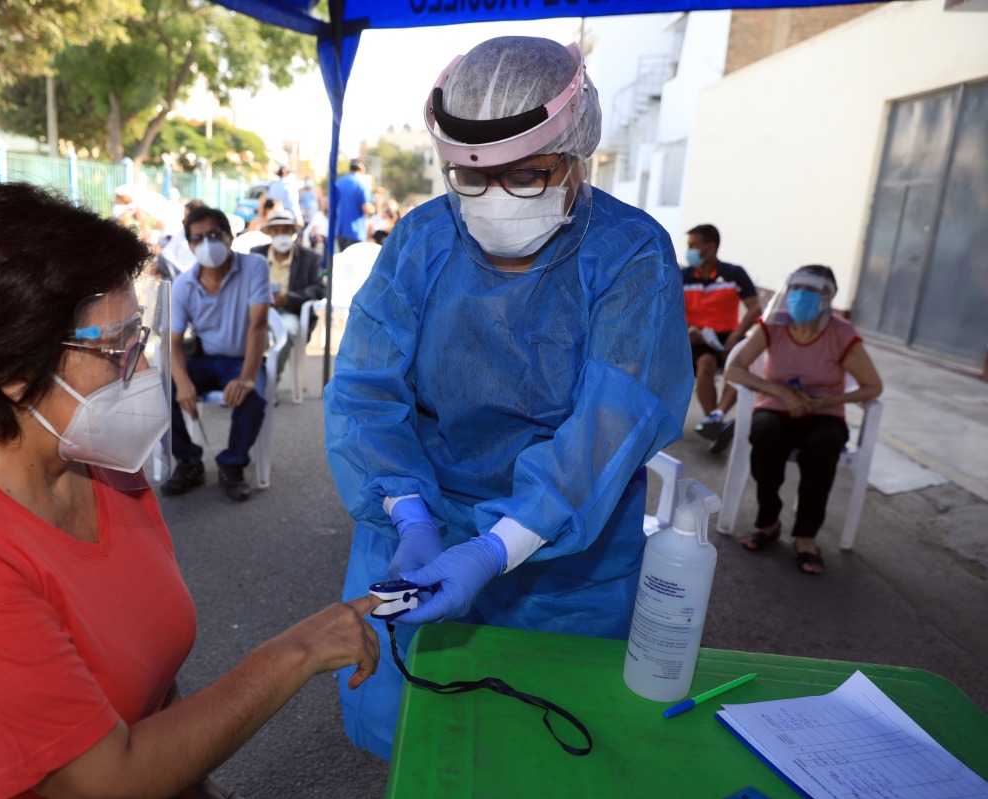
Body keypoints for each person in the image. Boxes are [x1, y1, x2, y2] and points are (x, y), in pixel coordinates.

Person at [0, 182, 381, 799]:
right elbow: (105, 778)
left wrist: (184, 786)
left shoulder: (97, 463)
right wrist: (297, 650)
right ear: (10, 366)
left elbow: (137, 665)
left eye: (139, 338)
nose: (143, 369)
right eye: (117, 348)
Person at [324, 36, 692, 760]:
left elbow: (607, 429)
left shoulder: (629, 256)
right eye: (469, 175)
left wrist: (498, 547)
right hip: (420, 522)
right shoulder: (424, 240)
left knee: (544, 744)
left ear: (576, 151)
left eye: (526, 175)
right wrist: (408, 511)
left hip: (565, 554)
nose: (494, 199)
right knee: (402, 732)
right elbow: (366, 391)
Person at [724, 266, 882, 575]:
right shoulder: (774, 325)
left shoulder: (841, 332)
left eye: (810, 291)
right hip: (776, 408)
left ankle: (806, 536)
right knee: (765, 436)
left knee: (824, 447)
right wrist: (778, 392)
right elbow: (735, 369)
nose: (800, 297)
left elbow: (873, 386)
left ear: (827, 298)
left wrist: (829, 400)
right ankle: (768, 523)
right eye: (796, 289)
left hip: (823, 413)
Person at [162, 206, 271, 502]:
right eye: (198, 238)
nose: (207, 244)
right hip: (205, 360)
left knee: (254, 397)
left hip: (242, 359)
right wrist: (182, 382)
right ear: (189, 245)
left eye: (214, 235)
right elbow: (171, 340)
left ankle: (232, 465)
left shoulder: (255, 267)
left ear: (230, 236)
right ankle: (189, 462)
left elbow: (258, 325)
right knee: (162, 390)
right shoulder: (184, 284)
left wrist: (247, 378)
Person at [682, 223, 760, 453]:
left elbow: (755, 308)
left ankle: (716, 417)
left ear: (711, 247)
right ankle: (714, 421)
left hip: (728, 337)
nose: (689, 251)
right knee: (705, 364)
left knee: (741, 365)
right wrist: (689, 328)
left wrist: (736, 335)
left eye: (693, 246)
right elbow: (669, 309)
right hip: (696, 338)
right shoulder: (683, 276)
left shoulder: (734, 273)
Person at [250, 209, 325, 378]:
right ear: (269, 233)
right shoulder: (256, 255)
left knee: (286, 331)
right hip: (258, 310)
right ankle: (249, 378)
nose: (281, 235)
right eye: (276, 231)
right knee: (248, 333)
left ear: (293, 232)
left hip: (290, 311)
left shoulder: (310, 258)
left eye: (285, 230)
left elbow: (318, 288)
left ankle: (268, 381)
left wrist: (287, 298)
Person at [333, 159, 373, 252]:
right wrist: (373, 209)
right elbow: (366, 207)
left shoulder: (339, 182)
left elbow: (330, 205)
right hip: (356, 231)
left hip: (340, 229)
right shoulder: (363, 183)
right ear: (362, 169)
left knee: (343, 261)